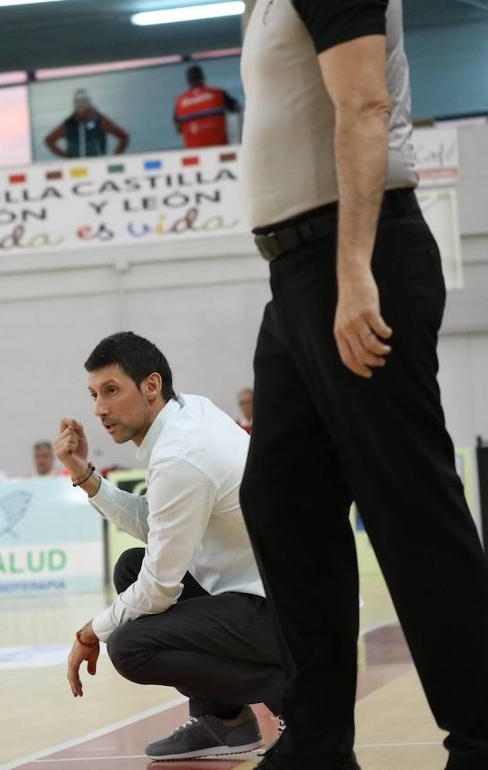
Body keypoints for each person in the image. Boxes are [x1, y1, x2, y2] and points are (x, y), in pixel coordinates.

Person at [239, 2, 488, 769]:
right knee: (280, 499)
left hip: (351, 258)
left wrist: (354, 272)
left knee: (407, 504)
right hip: (295, 276)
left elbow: (365, 100)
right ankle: (315, 741)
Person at [58, 332, 284, 761]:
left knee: (130, 646)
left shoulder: (181, 455)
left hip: (285, 612)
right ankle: (224, 721)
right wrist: (84, 474)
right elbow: (154, 524)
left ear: (151, 385)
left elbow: (160, 586)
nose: (100, 409)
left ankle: (294, 697)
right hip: (267, 591)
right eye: (93, 395)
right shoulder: (189, 411)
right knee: (130, 567)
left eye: (111, 391)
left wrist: (90, 631)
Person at [44, 88, 129, 158]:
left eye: (83, 102)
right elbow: (49, 140)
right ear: (74, 104)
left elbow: (124, 137)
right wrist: (66, 156)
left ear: (88, 103)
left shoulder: (99, 120)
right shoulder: (69, 123)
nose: (80, 105)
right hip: (74, 169)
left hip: (96, 166)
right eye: (77, 102)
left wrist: (114, 158)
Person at [173, 65, 241, 148]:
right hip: (220, 148)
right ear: (203, 77)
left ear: (188, 81)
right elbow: (237, 108)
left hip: (194, 152)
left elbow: (178, 129)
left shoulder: (180, 101)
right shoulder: (218, 94)